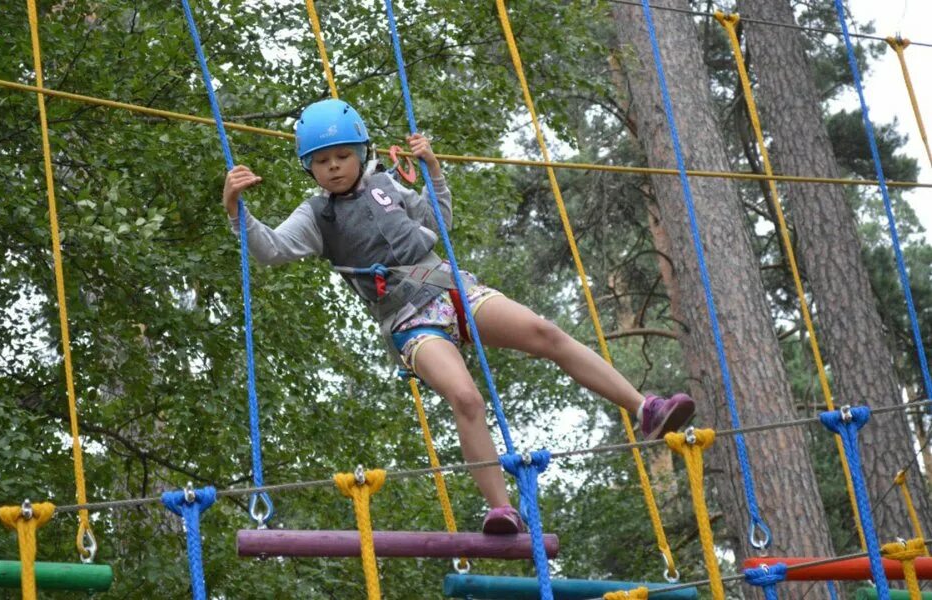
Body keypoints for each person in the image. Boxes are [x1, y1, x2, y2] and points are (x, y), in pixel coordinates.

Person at [223, 98, 695, 534]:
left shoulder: (387, 184)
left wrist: (433, 170)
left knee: (545, 332)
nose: (332, 168)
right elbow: (271, 249)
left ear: (361, 153)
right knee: (466, 397)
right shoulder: (317, 216)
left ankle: (643, 408)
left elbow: (437, 226)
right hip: (410, 320)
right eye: (321, 162)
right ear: (310, 169)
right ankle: (500, 509)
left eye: (341, 157)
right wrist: (235, 208)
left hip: (451, 289)